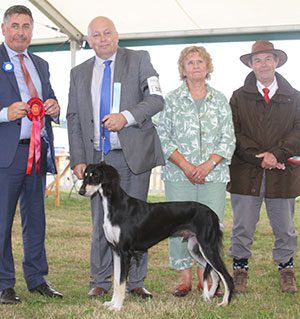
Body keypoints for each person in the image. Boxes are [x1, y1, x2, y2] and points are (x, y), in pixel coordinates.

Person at [67, 16, 165, 299]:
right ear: (89, 41)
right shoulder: (78, 73)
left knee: (138, 221)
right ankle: (100, 280)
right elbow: (73, 117)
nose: (102, 39)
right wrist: (77, 159)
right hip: (97, 159)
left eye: (107, 32)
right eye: (96, 35)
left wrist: (127, 117)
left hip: (133, 157)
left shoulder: (139, 59)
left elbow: (157, 99)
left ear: (117, 35)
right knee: (101, 221)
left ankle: (136, 282)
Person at [158, 46, 236, 297]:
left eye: (200, 61)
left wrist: (208, 165)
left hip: (213, 175)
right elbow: (163, 137)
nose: (195, 66)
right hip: (179, 175)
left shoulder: (220, 100)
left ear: (208, 66)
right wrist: (187, 166)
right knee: (177, 226)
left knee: (210, 227)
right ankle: (184, 278)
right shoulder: (170, 100)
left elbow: (229, 139)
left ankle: (206, 275)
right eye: (189, 62)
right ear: (182, 69)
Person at [0, 5, 62, 304]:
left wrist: (54, 106)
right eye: (15, 25)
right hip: (5, 158)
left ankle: (37, 279)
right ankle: (3, 283)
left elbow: (49, 96)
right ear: (3, 29)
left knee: (36, 219)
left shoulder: (41, 63)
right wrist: (4, 113)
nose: (20, 32)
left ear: (32, 31)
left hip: (36, 154)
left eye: (26, 26)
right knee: (1, 221)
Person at [227, 40, 300, 295]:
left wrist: (277, 154)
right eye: (257, 60)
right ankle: (239, 270)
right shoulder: (238, 97)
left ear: (276, 62)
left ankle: (286, 270)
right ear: (250, 64)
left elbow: (298, 131)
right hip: (246, 171)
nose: (263, 64)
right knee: (243, 226)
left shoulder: (295, 97)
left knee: (284, 226)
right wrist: (260, 158)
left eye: (268, 59)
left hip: (283, 172)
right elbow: (234, 134)